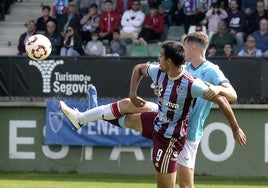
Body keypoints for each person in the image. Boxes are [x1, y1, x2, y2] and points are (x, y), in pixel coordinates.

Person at [60, 35, 246, 187]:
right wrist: (139, 93)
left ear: (193, 48)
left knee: (185, 185)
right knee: (128, 105)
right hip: (163, 116)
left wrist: (234, 125)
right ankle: (86, 116)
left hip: (184, 132)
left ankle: (94, 113)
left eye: (185, 45)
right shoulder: (176, 68)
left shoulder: (207, 73)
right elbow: (143, 70)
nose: (183, 48)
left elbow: (228, 96)